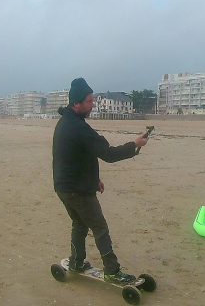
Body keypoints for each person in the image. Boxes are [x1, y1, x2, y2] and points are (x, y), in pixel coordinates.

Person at [53, 77, 149, 285]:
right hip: (76, 190)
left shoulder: (67, 122)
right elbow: (108, 153)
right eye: (89, 101)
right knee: (100, 227)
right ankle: (112, 271)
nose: (93, 104)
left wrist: (94, 180)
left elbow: (77, 157)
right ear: (76, 103)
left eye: (93, 100)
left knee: (80, 223)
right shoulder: (78, 127)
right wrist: (134, 144)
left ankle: (77, 262)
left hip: (63, 187)